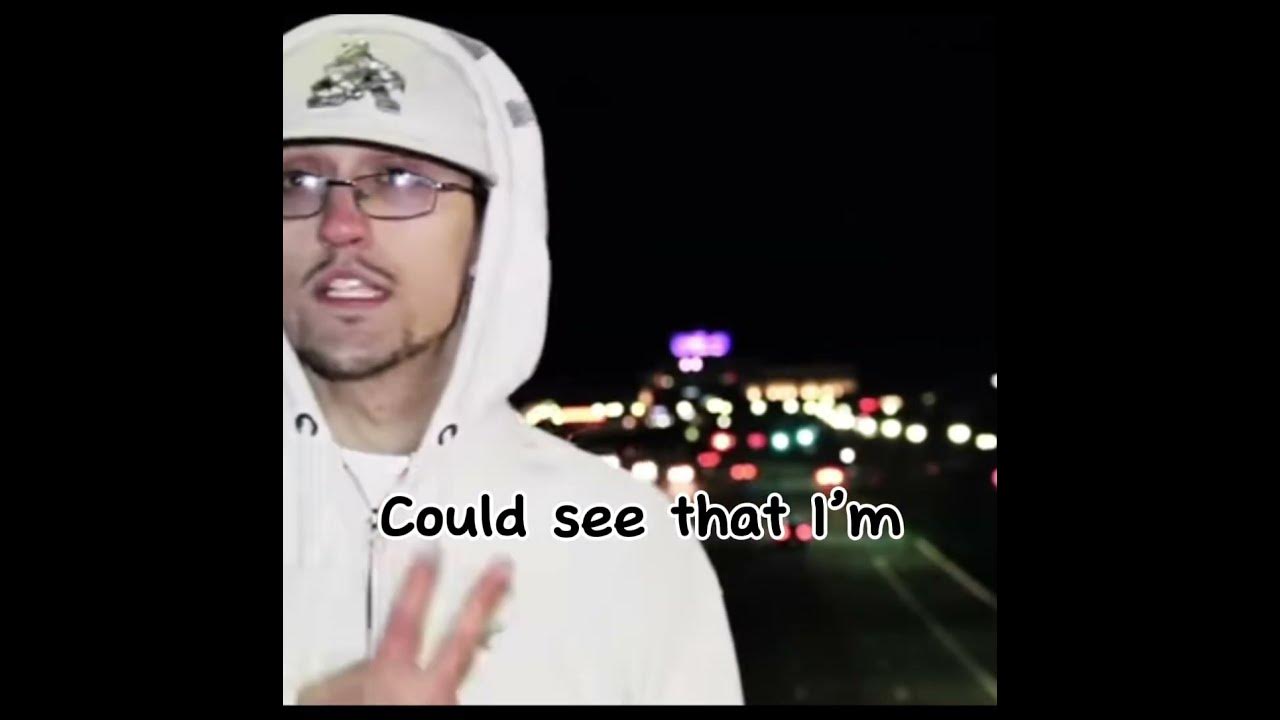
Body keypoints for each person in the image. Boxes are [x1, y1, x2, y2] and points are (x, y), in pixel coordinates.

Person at [282, 15, 743, 705]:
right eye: (295, 181)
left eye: (401, 179)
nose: (340, 225)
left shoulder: (627, 541)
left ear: (488, 235)